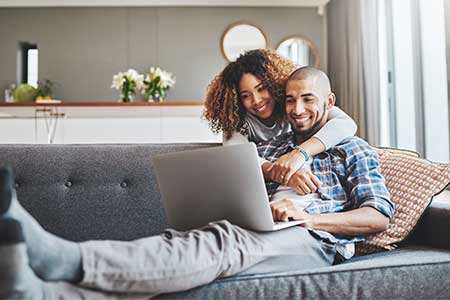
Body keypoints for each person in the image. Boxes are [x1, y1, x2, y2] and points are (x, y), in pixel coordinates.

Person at [0, 67, 394, 300]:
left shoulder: (352, 149)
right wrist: (268, 173)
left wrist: (308, 220)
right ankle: (48, 295)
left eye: (308, 100)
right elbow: (241, 153)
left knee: (222, 242)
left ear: (329, 101)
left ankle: (65, 258)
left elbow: (378, 216)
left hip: (314, 242)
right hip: (265, 227)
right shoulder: (279, 141)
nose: (296, 110)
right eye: (290, 100)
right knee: (188, 248)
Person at [204, 49, 357, 191]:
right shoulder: (236, 119)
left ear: (274, 84)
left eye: (261, 88)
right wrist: (281, 172)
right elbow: (236, 156)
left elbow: (346, 124)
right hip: (264, 183)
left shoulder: (293, 106)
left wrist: (299, 154)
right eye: (245, 96)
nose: (256, 100)